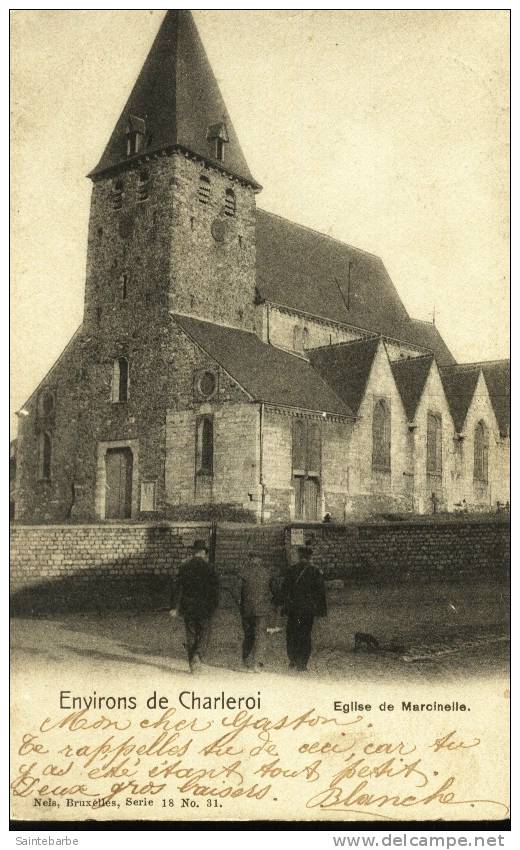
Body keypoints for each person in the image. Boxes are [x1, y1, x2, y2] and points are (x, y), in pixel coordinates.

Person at [169, 539, 219, 673]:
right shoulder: (210, 568)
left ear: (193, 552)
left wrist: (174, 607)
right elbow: (215, 590)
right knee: (205, 632)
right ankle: (198, 654)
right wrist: (214, 605)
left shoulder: (185, 566)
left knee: (191, 633)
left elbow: (177, 587)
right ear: (204, 552)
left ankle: (192, 664)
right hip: (205, 607)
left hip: (188, 606)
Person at [280, 546, 327, 672]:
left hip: (294, 609)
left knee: (292, 634)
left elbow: (284, 590)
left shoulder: (291, 570)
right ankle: (302, 663)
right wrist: (321, 610)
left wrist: (284, 606)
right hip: (307, 610)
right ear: (310, 557)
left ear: (300, 557)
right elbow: (320, 592)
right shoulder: (315, 571)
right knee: (305, 635)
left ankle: (293, 659)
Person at [238, 552, 276, 673]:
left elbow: (234, 589)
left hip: (247, 609)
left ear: (250, 559)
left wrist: (240, 603)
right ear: (260, 560)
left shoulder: (243, 572)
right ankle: (257, 663)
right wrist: (272, 603)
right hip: (262, 610)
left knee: (248, 634)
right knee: (260, 635)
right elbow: (275, 590)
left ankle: (246, 661)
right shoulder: (267, 573)